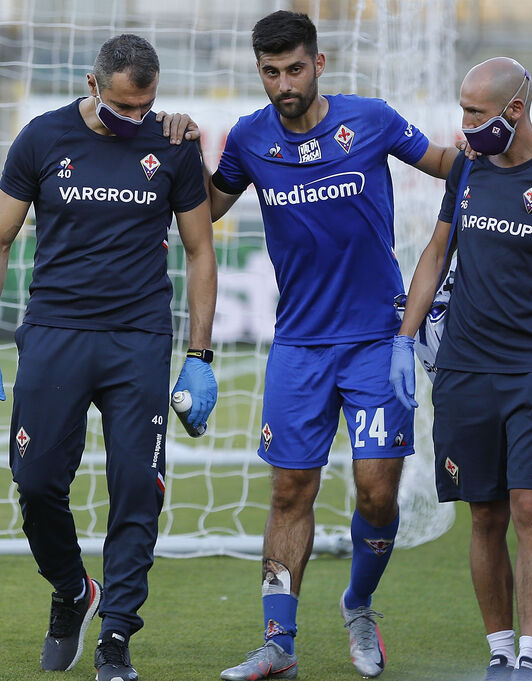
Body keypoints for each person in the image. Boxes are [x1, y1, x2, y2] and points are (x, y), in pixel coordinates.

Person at [161, 10, 458, 680]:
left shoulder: (371, 119)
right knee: (290, 489)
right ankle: (278, 641)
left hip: (378, 342)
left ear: (318, 64)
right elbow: (205, 209)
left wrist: (495, 144)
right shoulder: (248, 138)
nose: (282, 83)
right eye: (269, 71)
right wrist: (180, 150)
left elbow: (446, 165)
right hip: (298, 343)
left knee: (376, 492)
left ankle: (358, 603)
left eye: (293, 69)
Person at [0, 34, 218, 681]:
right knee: (38, 481)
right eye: (124, 107)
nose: (136, 119)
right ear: (91, 84)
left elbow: (198, 250)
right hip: (54, 332)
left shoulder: (175, 143)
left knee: (138, 488)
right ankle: (75, 589)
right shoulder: (41, 139)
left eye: (147, 106)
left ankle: (116, 638)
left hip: (137, 340)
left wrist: (200, 355)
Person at [390, 57, 532, 681]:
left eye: (474, 112)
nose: (462, 125)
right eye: (462, 109)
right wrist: (404, 340)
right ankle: (499, 650)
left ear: (514, 110)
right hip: (461, 371)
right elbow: (437, 253)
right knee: (484, 513)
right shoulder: (466, 169)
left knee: (530, 506)